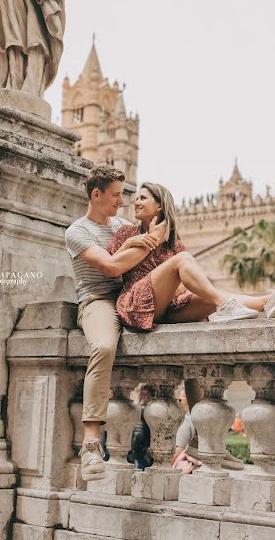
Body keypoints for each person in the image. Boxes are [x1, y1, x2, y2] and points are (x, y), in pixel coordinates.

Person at [65, 165, 167, 481]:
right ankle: (92, 442)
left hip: (133, 297)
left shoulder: (123, 226)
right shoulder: (77, 231)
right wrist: (148, 241)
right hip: (99, 301)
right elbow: (110, 267)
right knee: (105, 346)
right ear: (96, 194)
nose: (122, 202)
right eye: (116, 195)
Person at [106, 182, 275, 331]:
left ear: (159, 206)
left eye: (142, 198)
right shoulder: (127, 233)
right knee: (184, 260)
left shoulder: (174, 242)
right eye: (137, 198)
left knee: (209, 297)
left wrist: (178, 287)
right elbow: (111, 267)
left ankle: (267, 302)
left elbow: (184, 283)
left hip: (168, 309)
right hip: (136, 306)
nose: (136, 202)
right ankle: (229, 304)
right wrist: (131, 243)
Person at [127, 384, 154, 470]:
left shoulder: (142, 409)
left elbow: (138, 432)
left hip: (141, 447)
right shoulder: (152, 410)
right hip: (147, 447)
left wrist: (134, 448)